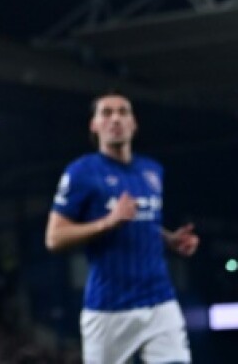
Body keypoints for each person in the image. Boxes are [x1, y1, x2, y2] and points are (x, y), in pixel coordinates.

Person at [45, 90, 199, 364]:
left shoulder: (152, 171)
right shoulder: (81, 172)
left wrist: (169, 239)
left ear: (134, 123)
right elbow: (54, 238)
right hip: (109, 308)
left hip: (159, 301)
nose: (115, 119)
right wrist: (108, 221)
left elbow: (144, 222)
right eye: (106, 113)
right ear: (94, 125)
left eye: (123, 112)